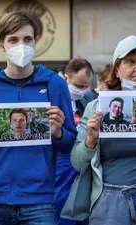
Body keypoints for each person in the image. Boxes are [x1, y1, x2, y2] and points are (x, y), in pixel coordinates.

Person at [0, 12, 77, 225]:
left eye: (27, 39)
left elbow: (70, 145)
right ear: (1, 44)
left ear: (36, 41)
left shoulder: (55, 85)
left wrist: (58, 133)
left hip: (40, 199)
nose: (21, 45)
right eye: (13, 39)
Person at [70, 35, 136, 225]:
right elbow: (76, 162)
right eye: (130, 61)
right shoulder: (95, 107)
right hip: (109, 201)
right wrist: (90, 140)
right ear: (117, 69)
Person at [55, 58, 93, 225]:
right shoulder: (55, 100)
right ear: (66, 78)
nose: (82, 90)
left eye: (86, 86)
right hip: (61, 160)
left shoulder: (85, 102)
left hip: (82, 158)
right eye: (79, 85)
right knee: (61, 204)